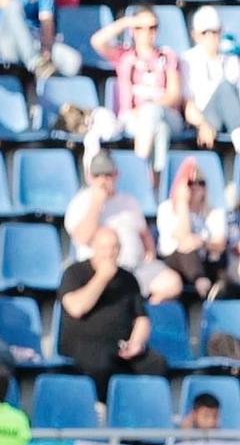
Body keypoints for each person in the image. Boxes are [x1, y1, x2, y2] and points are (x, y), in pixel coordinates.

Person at [63, 150, 182, 303]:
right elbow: (82, 237)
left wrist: (150, 252)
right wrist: (97, 204)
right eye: (97, 176)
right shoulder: (80, 203)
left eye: (107, 175)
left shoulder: (129, 202)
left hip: (136, 268)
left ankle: (143, 311)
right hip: (101, 271)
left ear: (116, 175)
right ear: (89, 177)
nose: (103, 180)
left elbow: (144, 232)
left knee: (172, 283)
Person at [57, 225, 166, 390]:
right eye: (104, 248)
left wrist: (136, 343)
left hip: (119, 346)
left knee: (157, 364)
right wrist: (102, 277)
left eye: (114, 247)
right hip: (84, 345)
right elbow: (76, 308)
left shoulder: (128, 279)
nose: (109, 253)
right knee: (101, 364)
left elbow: (141, 318)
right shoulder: (74, 273)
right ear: (93, 247)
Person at [90, 5, 185, 167]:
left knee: (151, 113)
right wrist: (127, 21)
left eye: (152, 27)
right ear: (133, 30)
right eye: (140, 28)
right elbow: (97, 41)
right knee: (160, 131)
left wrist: (148, 108)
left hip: (166, 114)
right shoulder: (124, 56)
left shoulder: (168, 56)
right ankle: (156, 184)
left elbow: (174, 95)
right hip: (131, 118)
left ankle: (138, 168)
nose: (147, 32)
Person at [156, 156, 227, 301]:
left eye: (200, 183)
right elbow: (183, 237)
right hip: (174, 262)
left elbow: (220, 244)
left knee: (217, 257)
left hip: (205, 259)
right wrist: (182, 203)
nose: (195, 187)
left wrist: (202, 242)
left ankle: (218, 288)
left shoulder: (215, 212)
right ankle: (202, 283)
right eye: (190, 183)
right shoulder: (167, 208)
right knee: (186, 248)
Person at [182, 5, 240, 147]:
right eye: (205, 33)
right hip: (203, 118)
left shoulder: (231, 60)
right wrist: (202, 124)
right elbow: (187, 105)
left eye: (215, 32)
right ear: (195, 35)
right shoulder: (187, 60)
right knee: (225, 88)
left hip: (230, 116)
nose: (211, 37)